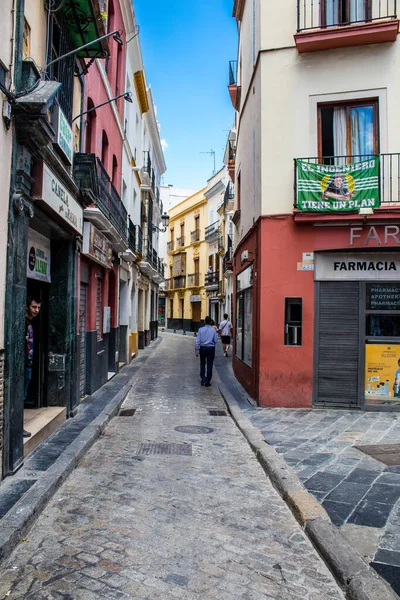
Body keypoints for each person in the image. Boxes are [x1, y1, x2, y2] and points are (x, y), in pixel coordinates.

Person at [24, 296, 41, 438]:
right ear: (26, 306)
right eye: (34, 307)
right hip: (23, 365)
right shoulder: (23, 323)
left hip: (28, 364)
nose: (36, 310)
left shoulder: (30, 323)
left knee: (23, 395)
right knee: (21, 396)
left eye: (38, 308)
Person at [195, 315, 219, 387]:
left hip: (202, 348)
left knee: (202, 363)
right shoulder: (213, 330)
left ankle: (203, 378)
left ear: (204, 321)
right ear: (211, 322)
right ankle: (208, 381)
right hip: (210, 348)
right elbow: (216, 340)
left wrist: (196, 350)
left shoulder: (200, 330)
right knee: (209, 365)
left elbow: (197, 341)